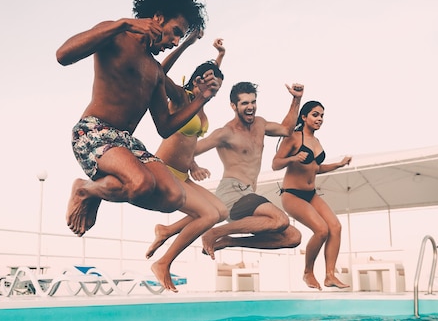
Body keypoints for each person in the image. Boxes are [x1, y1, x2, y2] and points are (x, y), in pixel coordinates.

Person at [57, 0, 222, 239]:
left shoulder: (155, 70)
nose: (175, 41)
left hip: (126, 142)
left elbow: (165, 126)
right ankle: (84, 190)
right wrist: (122, 23)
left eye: (181, 37)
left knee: (174, 196)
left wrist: (202, 99)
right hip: (94, 131)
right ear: (157, 18)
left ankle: (94, 189)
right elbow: (63, 55)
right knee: (141, 183)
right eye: (175, 32)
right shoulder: (116, 35)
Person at [145, 31, 228, 291]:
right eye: (212, 86)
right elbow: (157, 71)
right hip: (165, 171)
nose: (214, 92)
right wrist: (189, 43)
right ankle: (163, 262)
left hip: (183, 174)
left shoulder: (202, 104)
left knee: (222, 212)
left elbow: (187, 143)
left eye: (218, 88)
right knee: (206, 215)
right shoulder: (182, 97)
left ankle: (166, 231)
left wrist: (220, 56)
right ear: (198, 81)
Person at [193, 81, 304, 260]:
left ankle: (229, 240)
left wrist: (296, 100)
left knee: (293, 237)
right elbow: (188, 150)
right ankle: (213, 232)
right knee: (280, 220)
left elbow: (286, 129)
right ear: (233, 106)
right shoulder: (225, 133)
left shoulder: (260, 124)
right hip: (232, 193)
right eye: (245, 103)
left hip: (249, 194)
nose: (250, 107)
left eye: (253, 102)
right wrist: (194, 166)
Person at [272, 100, 352, 290]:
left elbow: (316, 168)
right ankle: (308, 272)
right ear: (304, 117)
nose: (320, 119)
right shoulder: (293, 138)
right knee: (321, 230)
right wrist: (293, 157)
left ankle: (330, 275)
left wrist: (338, 164)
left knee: (335, 226)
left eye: (322, 116)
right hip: (292, 195)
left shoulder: (316, 142)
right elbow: (275, 164)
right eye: (316, 115)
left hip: (311, 194)